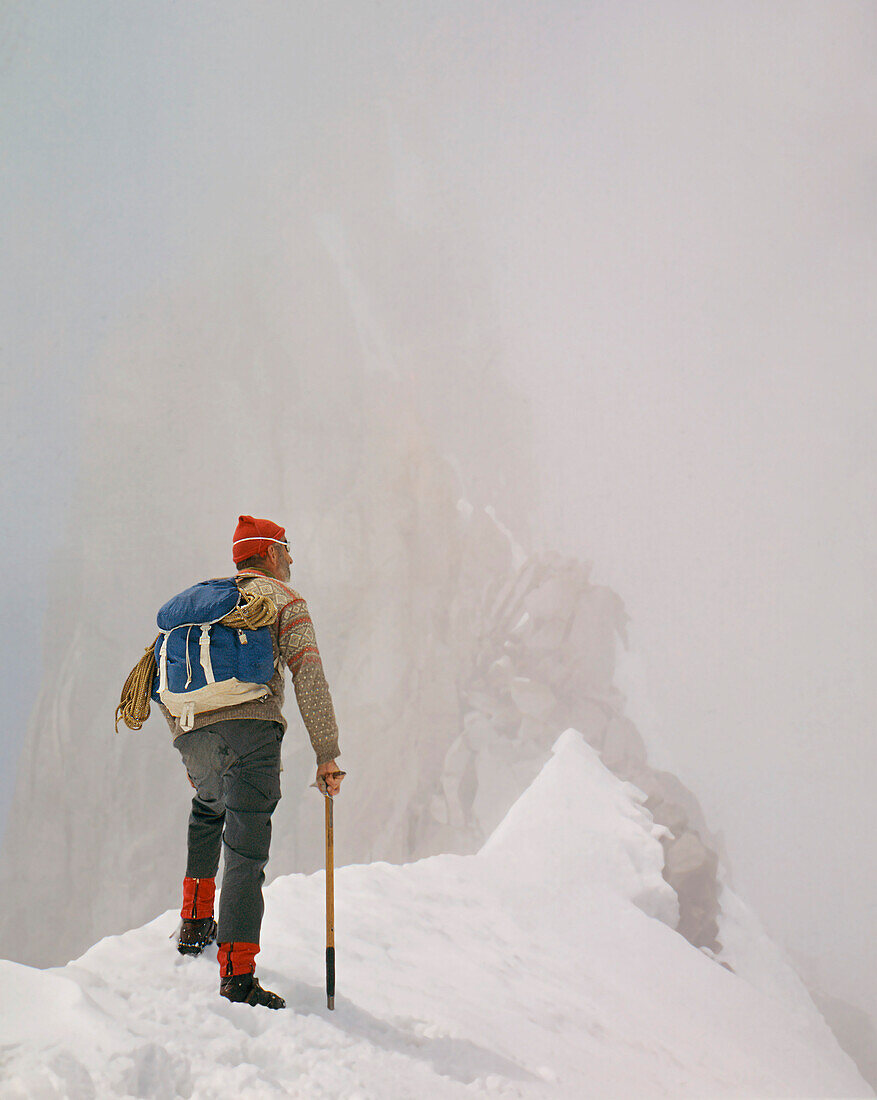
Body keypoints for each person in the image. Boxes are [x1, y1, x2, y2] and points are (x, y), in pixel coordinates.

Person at [164, 514, 344, 1009]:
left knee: (207, 808)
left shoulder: (205, 609)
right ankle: (237, 976)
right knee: (245, 849)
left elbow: (160, 672)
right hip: (253, 734)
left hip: (193, 730)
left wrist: (187, 739)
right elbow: (309, 678)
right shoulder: (284, 601)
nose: (291, 559)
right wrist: (326, 755)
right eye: (286, 549)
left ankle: (196, 923)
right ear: (266, 553)